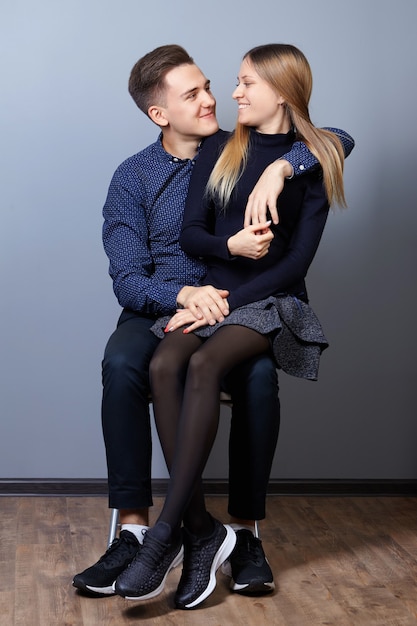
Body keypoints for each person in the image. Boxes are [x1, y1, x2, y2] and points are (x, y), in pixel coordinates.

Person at [73, 44, 354, 601]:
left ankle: (244, 533)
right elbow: (127, 277)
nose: (213, 99)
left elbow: (335, 138)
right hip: (164, 304)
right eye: (194, 93)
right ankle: (141, 529)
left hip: (237, 301)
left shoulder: (236, 146)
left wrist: (282, 166)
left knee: (255, 380)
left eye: (211, 85)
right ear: (161, 114)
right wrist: (183, 294)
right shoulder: (134, 176)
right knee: (125, 361)